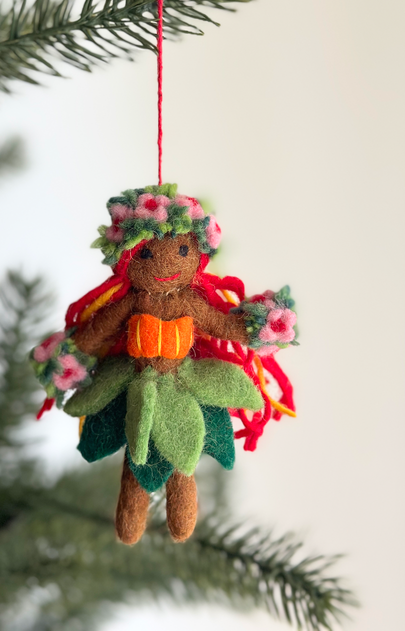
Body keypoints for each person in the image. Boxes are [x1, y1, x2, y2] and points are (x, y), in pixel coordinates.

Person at [31, 185, 297, 544]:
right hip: (133, 378)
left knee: (183, 446)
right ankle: (133, 507)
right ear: (128, 257)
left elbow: (222, 324)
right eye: (147, 254)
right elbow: (98, 330)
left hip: (184, 381)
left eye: (183, 250)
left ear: (197, 253)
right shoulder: (131, 303)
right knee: (135, 441)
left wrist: (259, 327)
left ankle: (179, 503)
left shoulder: (190, 301)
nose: (165, 264)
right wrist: (69, 355)